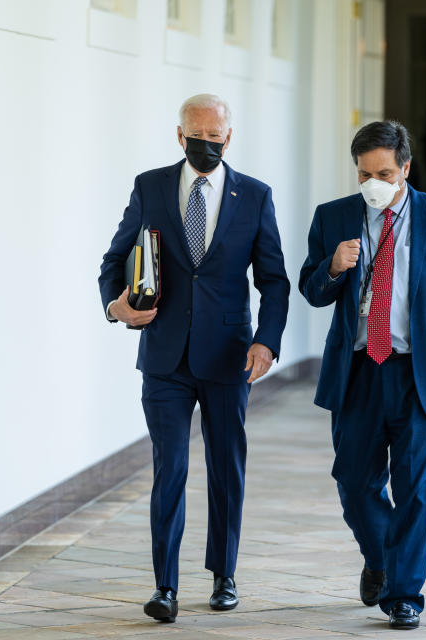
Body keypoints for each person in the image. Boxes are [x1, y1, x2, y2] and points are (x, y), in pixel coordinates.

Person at [98, 94, 289, 623]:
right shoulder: (150, 187)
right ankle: (165, 586)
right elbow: (114, 261)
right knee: (171, 469)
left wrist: (267, 341)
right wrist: (115, 307)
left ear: (229, 137)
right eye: (196, 135)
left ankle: (224, 575)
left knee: (226, 469)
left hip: (231, 356)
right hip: (164, 356)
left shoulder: (254, 196)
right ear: (179, 136)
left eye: (216, 136)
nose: (207, 144)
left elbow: (273, 281)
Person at [298, 120, 426, 630]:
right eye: (364, 174)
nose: (373, 182)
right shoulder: (333, 216)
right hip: (357, 370)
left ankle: (404, 593)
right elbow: (312, 290)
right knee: (354, 483)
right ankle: (380, 556)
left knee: (417, 488)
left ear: (405, 167)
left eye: (384, 172)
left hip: (417, 371)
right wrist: (334, 267)